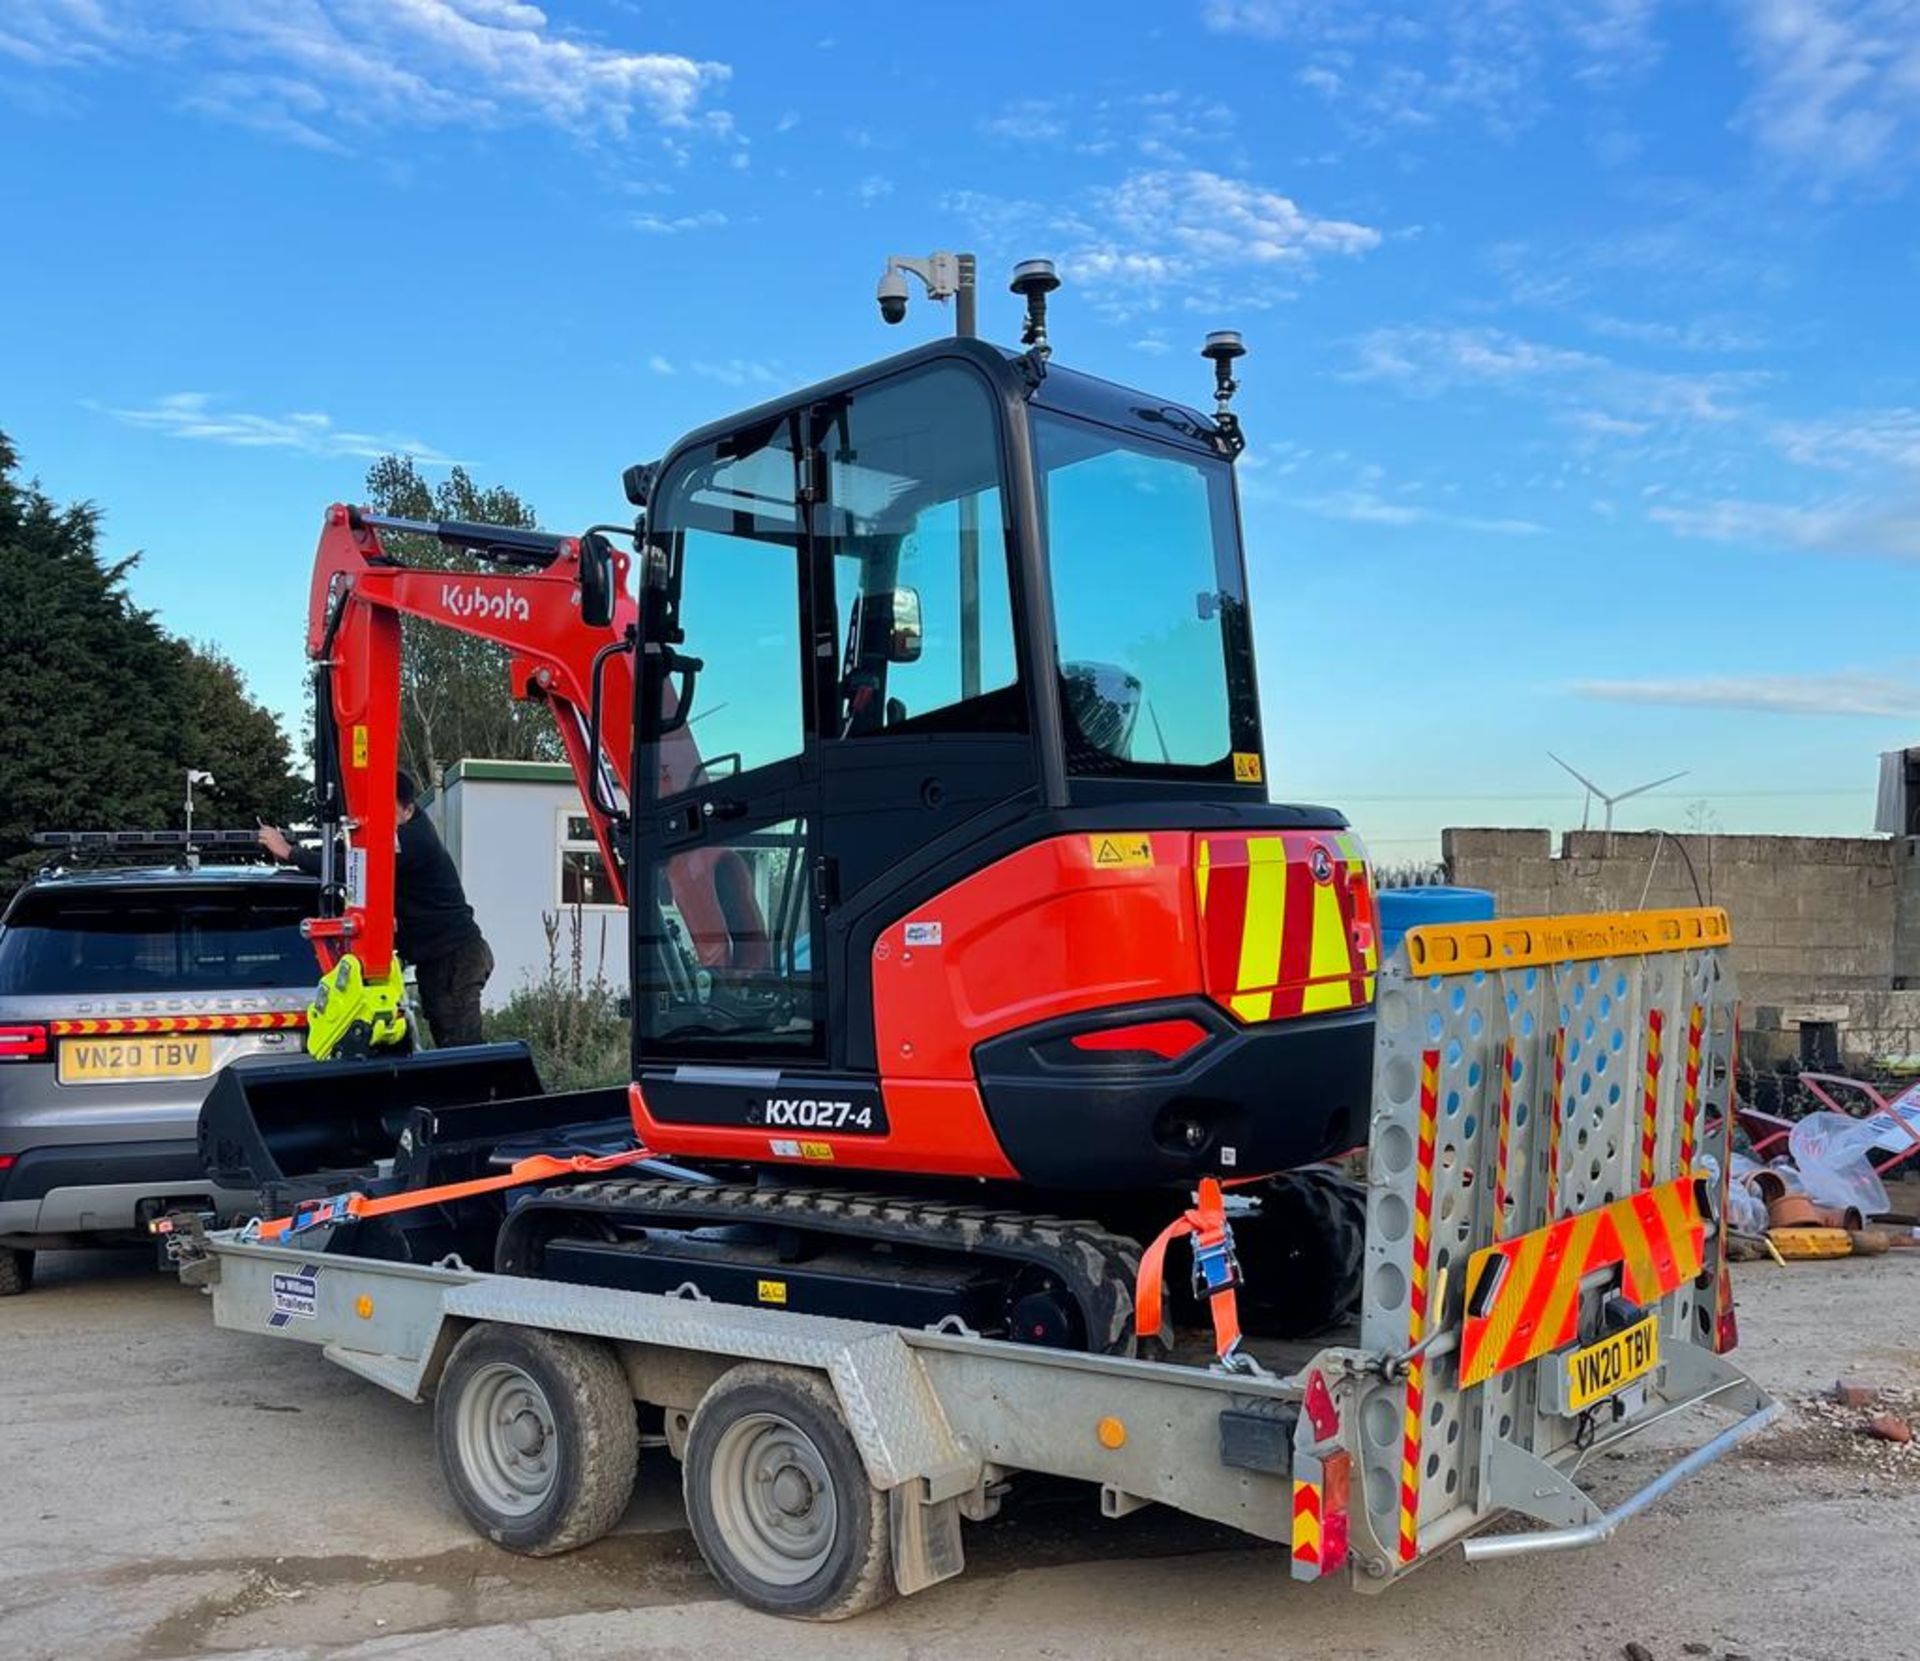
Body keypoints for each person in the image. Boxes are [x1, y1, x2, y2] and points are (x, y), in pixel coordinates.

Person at [259, 772, 494, 1048]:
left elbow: (357, 865)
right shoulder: (396, 836)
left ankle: (490, 1092)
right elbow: (345, 852)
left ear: (408, 809)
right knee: (450, 1043)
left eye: (384, 811)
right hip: (439, 959)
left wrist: (290, 852)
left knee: (461, 1049)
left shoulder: (412, 841)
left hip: (456, 958)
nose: (375, 821)